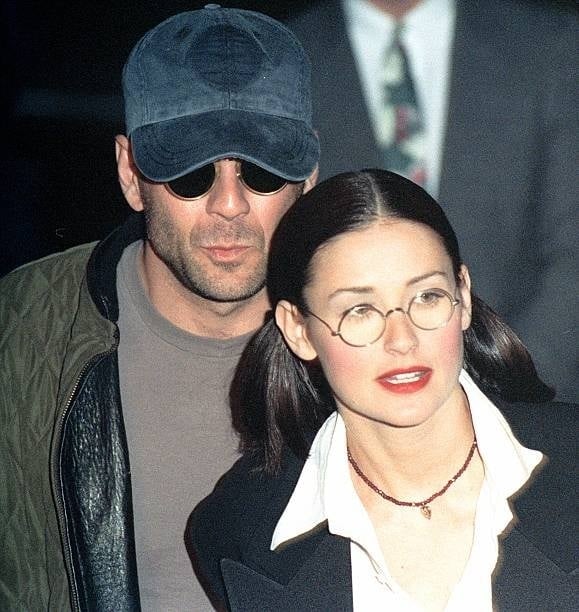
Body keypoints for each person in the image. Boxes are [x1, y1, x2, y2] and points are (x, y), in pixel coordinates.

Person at [0, 6, 319, 610]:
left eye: (260, 171)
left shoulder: (371, 332)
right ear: (129, 172)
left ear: (308, 175)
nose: (229, 204)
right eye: (191, 173)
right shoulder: (22, 335)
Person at [188, 170, 577, 611]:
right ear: (297, 329)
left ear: (462, 297)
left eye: (427, 297)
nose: (402, 339)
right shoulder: (240, 528)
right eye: (359, 310)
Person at [286, 0, 579, 402]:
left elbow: (572, 255)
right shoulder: (284, 54)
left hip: (533, 404)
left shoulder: (553, 43)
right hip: (345, 417)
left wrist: (505, 400)